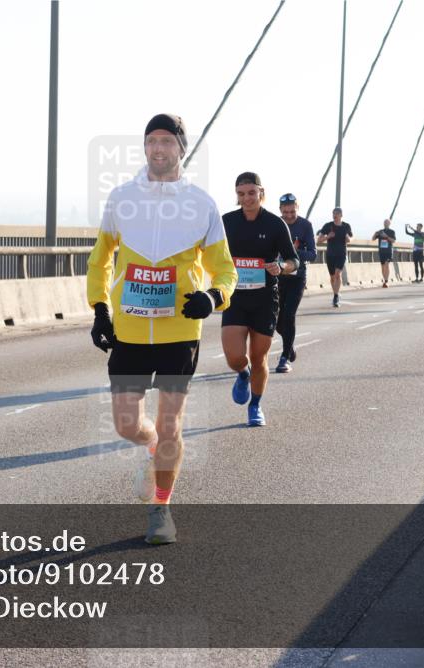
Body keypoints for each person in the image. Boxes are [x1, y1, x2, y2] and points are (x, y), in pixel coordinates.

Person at [87, 113, 237, 545]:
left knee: (172, 425)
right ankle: (150, 448)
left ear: (180, 149)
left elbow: (224, 270)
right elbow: (101, 259)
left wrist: (212, 298)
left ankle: (161, 509)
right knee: (126, 425)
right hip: (130, 332)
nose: (158, 148)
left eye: (166, 141)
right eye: (151, 140)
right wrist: (100, 308)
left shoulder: (202, 205)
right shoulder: (121, 199)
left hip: (179, 332)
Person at [221, 173, 299, 426]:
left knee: (259, 357)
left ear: (261, 193)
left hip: (265, 298)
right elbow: (210, 252)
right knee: (235, 357)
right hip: (235, 298)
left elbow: (293, 260)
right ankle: (242, 375)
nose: (246, 199)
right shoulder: (227, 222)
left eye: (251, 193)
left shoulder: (275, 224)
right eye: (241, 194)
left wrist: (282, 267)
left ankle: (255, 405)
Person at [275, 193, 317, 374]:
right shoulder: (275, 224)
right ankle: (289, 346)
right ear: (280, 211)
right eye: (286, 212)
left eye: (292, 211)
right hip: (277, 278)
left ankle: (284, 357)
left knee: (289, 315)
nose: (289, 215)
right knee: (277, 322)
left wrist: (293, 253)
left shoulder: (305, 225)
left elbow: (313, 253)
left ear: (297, 209)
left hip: (297, 278)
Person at [318, 208, 353, 307]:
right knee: (332, 276)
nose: (335, 215)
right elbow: (319, 240)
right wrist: (327, 237)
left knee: (338, 274)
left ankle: (336, 296)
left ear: (341, 215)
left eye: (337, 213)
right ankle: (335, 293)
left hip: (341, 254)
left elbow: (351, 237)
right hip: (330, 254)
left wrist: (348, 239)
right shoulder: (328, 226)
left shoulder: (346, 226)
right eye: (333, 213)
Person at [371, 219, 397, 287]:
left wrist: (386, 237)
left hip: (388, 251)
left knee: (386, 264)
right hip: (381, 251)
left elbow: (393, 240)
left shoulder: (392, 231)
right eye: (384, 222)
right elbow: (373, 239)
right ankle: (384, 280)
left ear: (389, 224)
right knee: (382, 267)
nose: (385, 223)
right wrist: (375, 233)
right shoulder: (380, 231)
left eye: (387, 222)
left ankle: (386, 281)